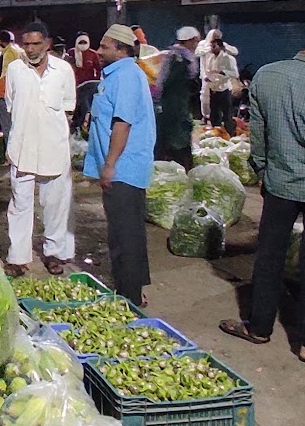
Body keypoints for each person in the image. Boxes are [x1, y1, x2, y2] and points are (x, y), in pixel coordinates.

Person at [220, 20, 305, 361]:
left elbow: (259, 135)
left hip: (279, 185)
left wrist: (265, 171)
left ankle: (259, 327)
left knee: (268, 255)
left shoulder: (267, 76)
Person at [85, 25, 157, 305]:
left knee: (123, 235)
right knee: (129, 231)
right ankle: (134, 290)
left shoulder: (126, 75)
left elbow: (123, 123)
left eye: (104, 47)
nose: (99, 51)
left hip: (124, 167)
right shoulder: (117, 75)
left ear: (121, 49)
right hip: (124, 166)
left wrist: (110, 164)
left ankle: (128, 296)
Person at [3, 20, 78, 277]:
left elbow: (68, 108)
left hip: (54, 147)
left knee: (55, 205)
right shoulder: (14, 69)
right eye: (26, 45)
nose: (31, 49)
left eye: (36, 44)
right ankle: (18, 257)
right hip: (22, 148)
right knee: (19, 206)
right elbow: (12, 105)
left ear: (47, 44)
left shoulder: (63, 70)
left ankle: (54, 254)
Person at [155, 26, 202, 167]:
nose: (196, 44)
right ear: (189, 41)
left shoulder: (177, 55)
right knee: (176, 139)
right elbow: (169, 83)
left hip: (176, 105)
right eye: (195, 41)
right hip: (174, 106)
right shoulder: (179, 59)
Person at [198, 29, 241, 130]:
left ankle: (228, 130)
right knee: (208, 103)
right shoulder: (205, 47)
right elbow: (199, 55)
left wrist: (222, 73)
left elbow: (234, 53)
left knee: (226, 111)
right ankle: (209, 121)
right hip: (210, 82)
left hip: (222, 86)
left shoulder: (227, 57)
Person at [70, 33, 102, 132]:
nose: (83, 44)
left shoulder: (93, 54)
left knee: (85, 107)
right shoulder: (71, 52)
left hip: (88, 87)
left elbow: (98, 69)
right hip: (74, 86)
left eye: (85, 42)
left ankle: (83, 127)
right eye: (80, 42)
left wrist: (96, 81)